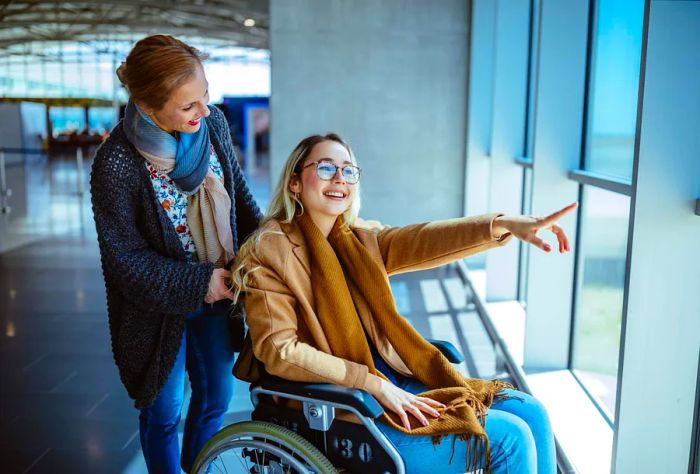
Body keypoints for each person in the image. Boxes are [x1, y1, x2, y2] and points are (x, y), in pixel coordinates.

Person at [232, 133, 577, 473]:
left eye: (348, 170)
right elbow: (280, 350)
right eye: (325, 168)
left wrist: (500, 225)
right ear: (295, 183)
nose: (340, 178)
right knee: (510, 437)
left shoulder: (358, 239)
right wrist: (371, 383)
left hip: (392, 382)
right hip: (341, 408)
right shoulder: (270, 250)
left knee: (531, 411)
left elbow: (424, 239)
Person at [90, 35, 261, 473]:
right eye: (188, 106)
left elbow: (240, 200)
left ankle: (198, 468)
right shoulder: (117, 162)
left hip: (220, 295)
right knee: (164, 414)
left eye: (204, 95)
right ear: (147, 105)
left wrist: (268, 248)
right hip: (155, 311)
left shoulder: (214, 125)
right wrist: (199, 282)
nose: (203, 111)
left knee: (216, 400)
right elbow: (124, 259)